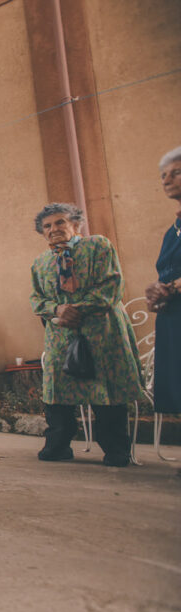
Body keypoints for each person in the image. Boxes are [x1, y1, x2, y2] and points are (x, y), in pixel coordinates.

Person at [30, 203, 144, 467]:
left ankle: (116, 448)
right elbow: (36, 298)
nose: (53, 229)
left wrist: (76, 309)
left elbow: (112, 285)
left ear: (76, 224)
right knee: (56, 389)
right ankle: (57, 445)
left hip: (101, 330)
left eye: (60, 222)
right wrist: (57, 308)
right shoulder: (40, 263)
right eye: (47, 226)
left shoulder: (98, 246)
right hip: (60, 334)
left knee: (105, 388)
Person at [145, 147, 181, 417]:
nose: (167, 180)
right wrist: (156, 291)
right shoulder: (173, 231)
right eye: (163, 176)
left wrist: (176, 286)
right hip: (173, 318)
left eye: (176, 173)